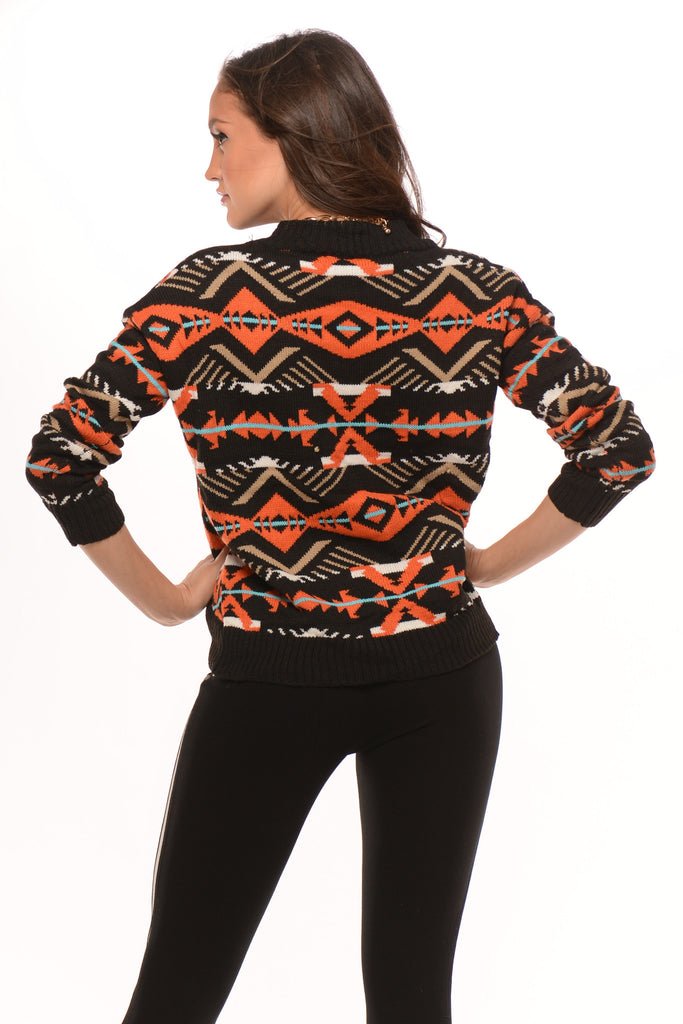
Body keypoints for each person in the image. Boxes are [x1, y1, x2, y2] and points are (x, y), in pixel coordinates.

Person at [25, 28, 655, 1024]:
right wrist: (482, 565)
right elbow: (613, 447)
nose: (209, 167)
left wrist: (166, 602)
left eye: (221, 136)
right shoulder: (476, 294)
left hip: (270, 680)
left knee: (176, 994)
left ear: (291, 135)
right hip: (444, 677)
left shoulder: (205, 297)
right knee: (411, 1000)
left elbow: (63, 455)